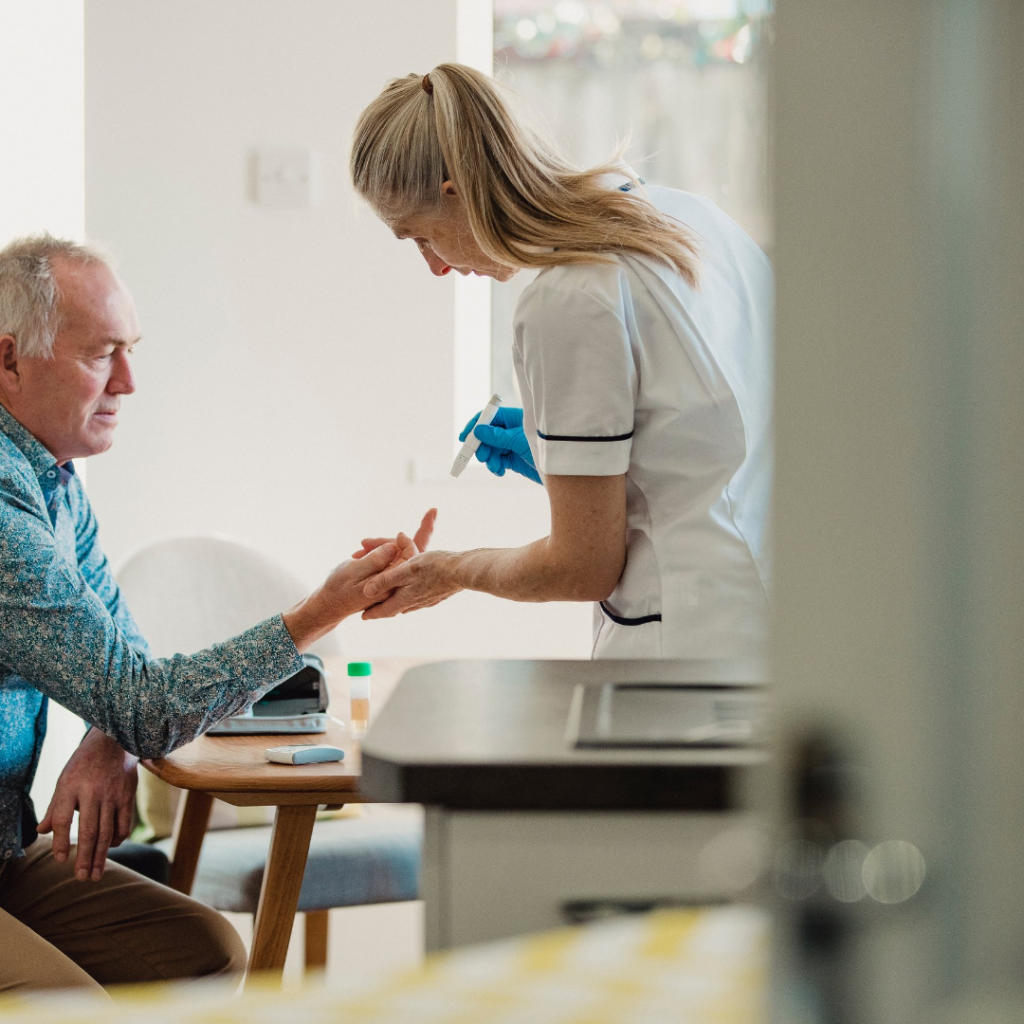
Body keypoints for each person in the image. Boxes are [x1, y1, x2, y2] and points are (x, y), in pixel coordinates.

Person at [0, 234, 432, 993]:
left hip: (6, 850)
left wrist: (111, 735)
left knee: (205, 956)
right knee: (71, 1006)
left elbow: (122, 659)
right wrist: (319, 612)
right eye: (102, 354)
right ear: (7, 361)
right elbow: (144, 699)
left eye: (131, 350)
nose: (129, 382)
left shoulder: (58, 481)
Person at [348, 63, 772, 660]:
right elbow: (709, 435)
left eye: (420, 237)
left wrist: (449, 571)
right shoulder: (691, 219)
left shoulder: (565, 297)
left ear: (457, 194)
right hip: (777, 619)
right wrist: (566, 456)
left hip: (689, 655)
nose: (436, 267)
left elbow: (581, 569)